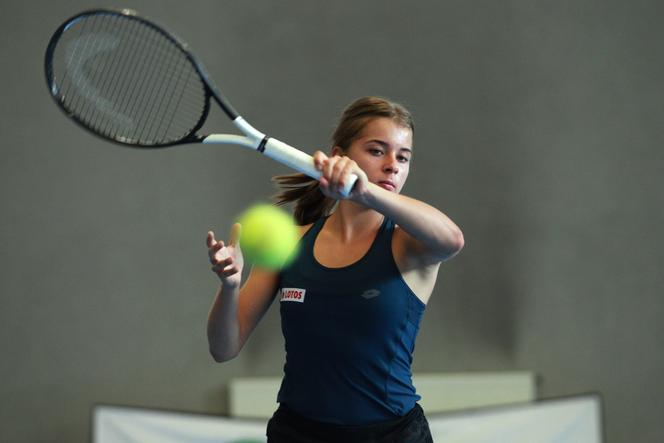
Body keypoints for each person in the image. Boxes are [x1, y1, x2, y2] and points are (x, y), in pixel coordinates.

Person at [206, 96, 464, 442]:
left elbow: (453, 239)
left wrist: (365, 192)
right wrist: (230, 286)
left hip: (391, 435)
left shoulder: (408, 246)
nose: (393, 165)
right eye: (377, 151)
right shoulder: (290, 245)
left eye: (403, 157)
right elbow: (224, 348)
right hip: (298, 434)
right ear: (340, 156)